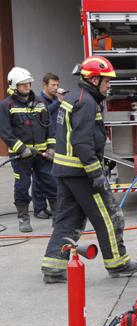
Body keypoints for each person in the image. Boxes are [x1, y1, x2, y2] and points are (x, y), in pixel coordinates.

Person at [41, 56, 137, 284]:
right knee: (108, 217)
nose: (109, 85)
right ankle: (118, 263)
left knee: (68, 219)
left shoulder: (73, 97)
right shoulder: (86, 102)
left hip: (65, 171)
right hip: (82, 172)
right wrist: (96, 172)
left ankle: (53, 266)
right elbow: (81, 142)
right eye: (106, 81)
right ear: (94, 79)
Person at [0, 67, 56, 232]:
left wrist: (52, 147)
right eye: (23, 85)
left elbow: (49, 128)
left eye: (28, 83)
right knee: (22, 186)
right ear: (14, 86)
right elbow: (5, 133)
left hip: (43, 155)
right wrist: (21, 149)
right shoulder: (6, 105)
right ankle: (23, 218)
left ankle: (59, 218)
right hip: (21, 156)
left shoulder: (40, 103)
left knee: (52, 183)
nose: (27, 87)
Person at [31, 73, 64, 219]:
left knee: (52, 177)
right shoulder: (39, 101)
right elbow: (45, 114)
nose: (56, 87)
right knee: (39, 177)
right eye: (53, 85)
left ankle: (53, 206)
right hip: (42, 143)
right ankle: (39, 208)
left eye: (57, 85)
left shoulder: (54, 100)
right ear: (45, 85)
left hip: (55, 141)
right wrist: (58, 101)